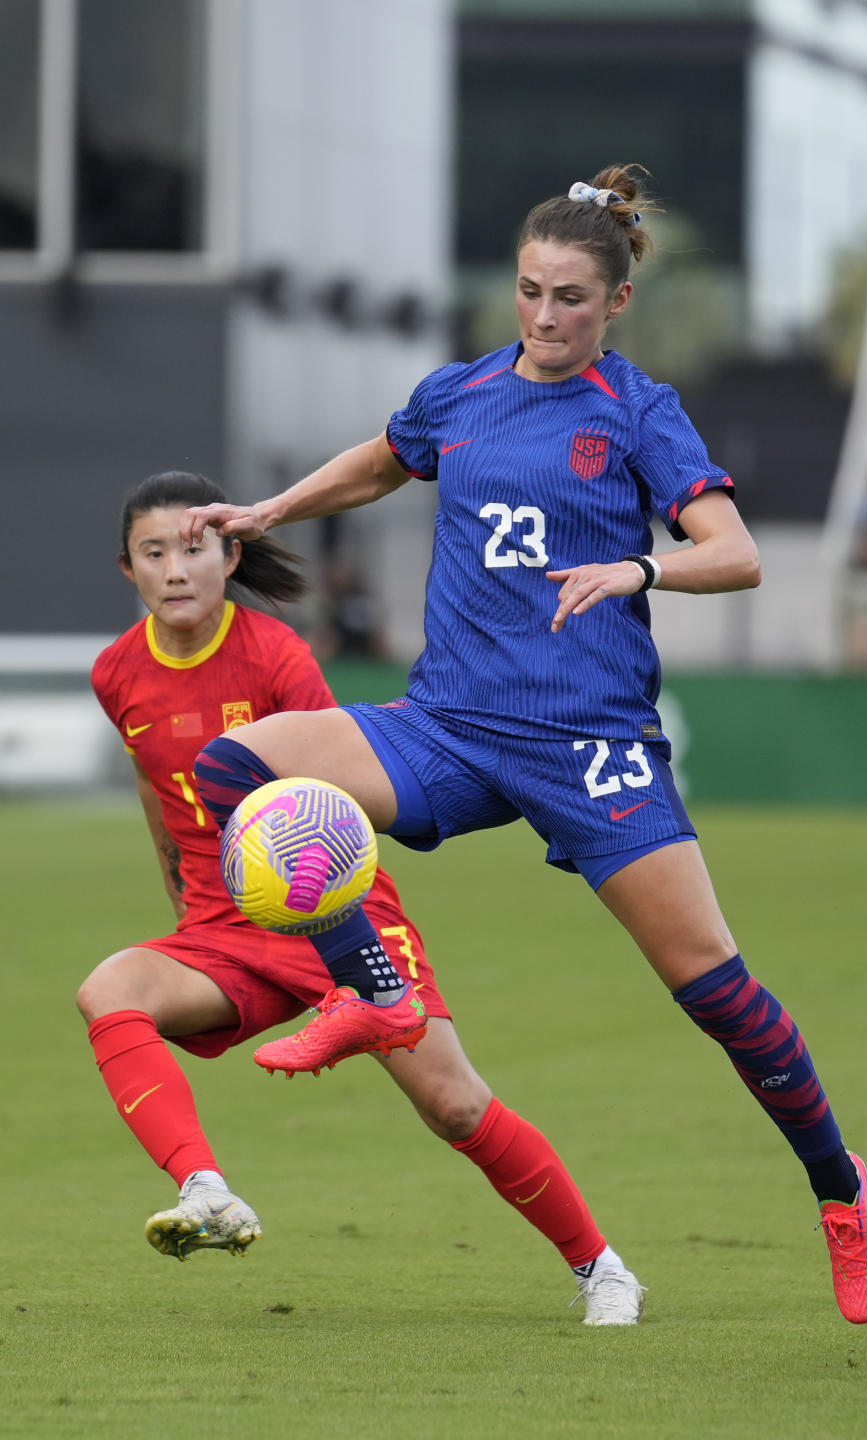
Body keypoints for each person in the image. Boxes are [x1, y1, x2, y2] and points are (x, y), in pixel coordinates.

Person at [181, 165, 867, 1327]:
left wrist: (640, 566)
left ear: (615, 302)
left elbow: (739, 551)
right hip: (450, 726)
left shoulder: (637, 411)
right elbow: (380, 459)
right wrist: (268, 512)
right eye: (527, 290)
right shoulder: (460, 392)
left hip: (589, 745)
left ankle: (839, 1190)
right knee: (240, 767)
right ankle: (377, 990)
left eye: (570, 296)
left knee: (715, 990)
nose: (544, 316)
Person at [80, 470, 645, 1327]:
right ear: (127, 569)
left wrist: (332, 930)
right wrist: (188, 914)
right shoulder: (116, 673)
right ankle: (206, 1192)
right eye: (153, 553)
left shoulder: (273, 654)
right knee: (109, 990)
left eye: (193, 548)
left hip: (335, 917)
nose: (175, 569)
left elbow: (329, 803)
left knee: (454, 1103)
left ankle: (601, 1269)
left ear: (230, 555)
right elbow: (158, 801)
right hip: (224, 930)